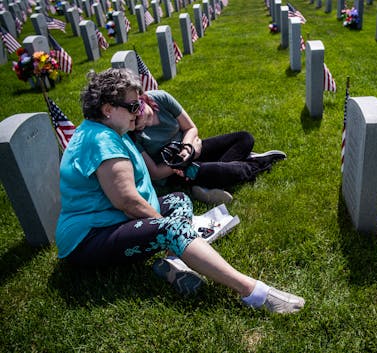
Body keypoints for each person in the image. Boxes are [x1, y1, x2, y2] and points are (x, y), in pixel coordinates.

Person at [55, 68, 305, 314]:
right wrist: (168, 230)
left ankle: (176, 260)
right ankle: (252, 291)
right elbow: (127, 202)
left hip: (113, 221)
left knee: (179, 199)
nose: (138, 110)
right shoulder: (102, 141)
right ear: (108, 109)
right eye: (132, 106)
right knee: (171, 228)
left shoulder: (106, 131)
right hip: (90, 238)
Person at [132, 90, 287, 204]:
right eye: (136, 125)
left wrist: (188, 148)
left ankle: (205, 183)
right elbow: (156, 173)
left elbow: (190, 128)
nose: (139, 127)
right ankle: (258, 162)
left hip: (191, 148)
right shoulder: (132, 131)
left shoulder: (161, 98)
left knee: (245, 138)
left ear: (142, 102)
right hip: (174, 170)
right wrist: (184, 160)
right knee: (229, 171)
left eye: (140, 121)